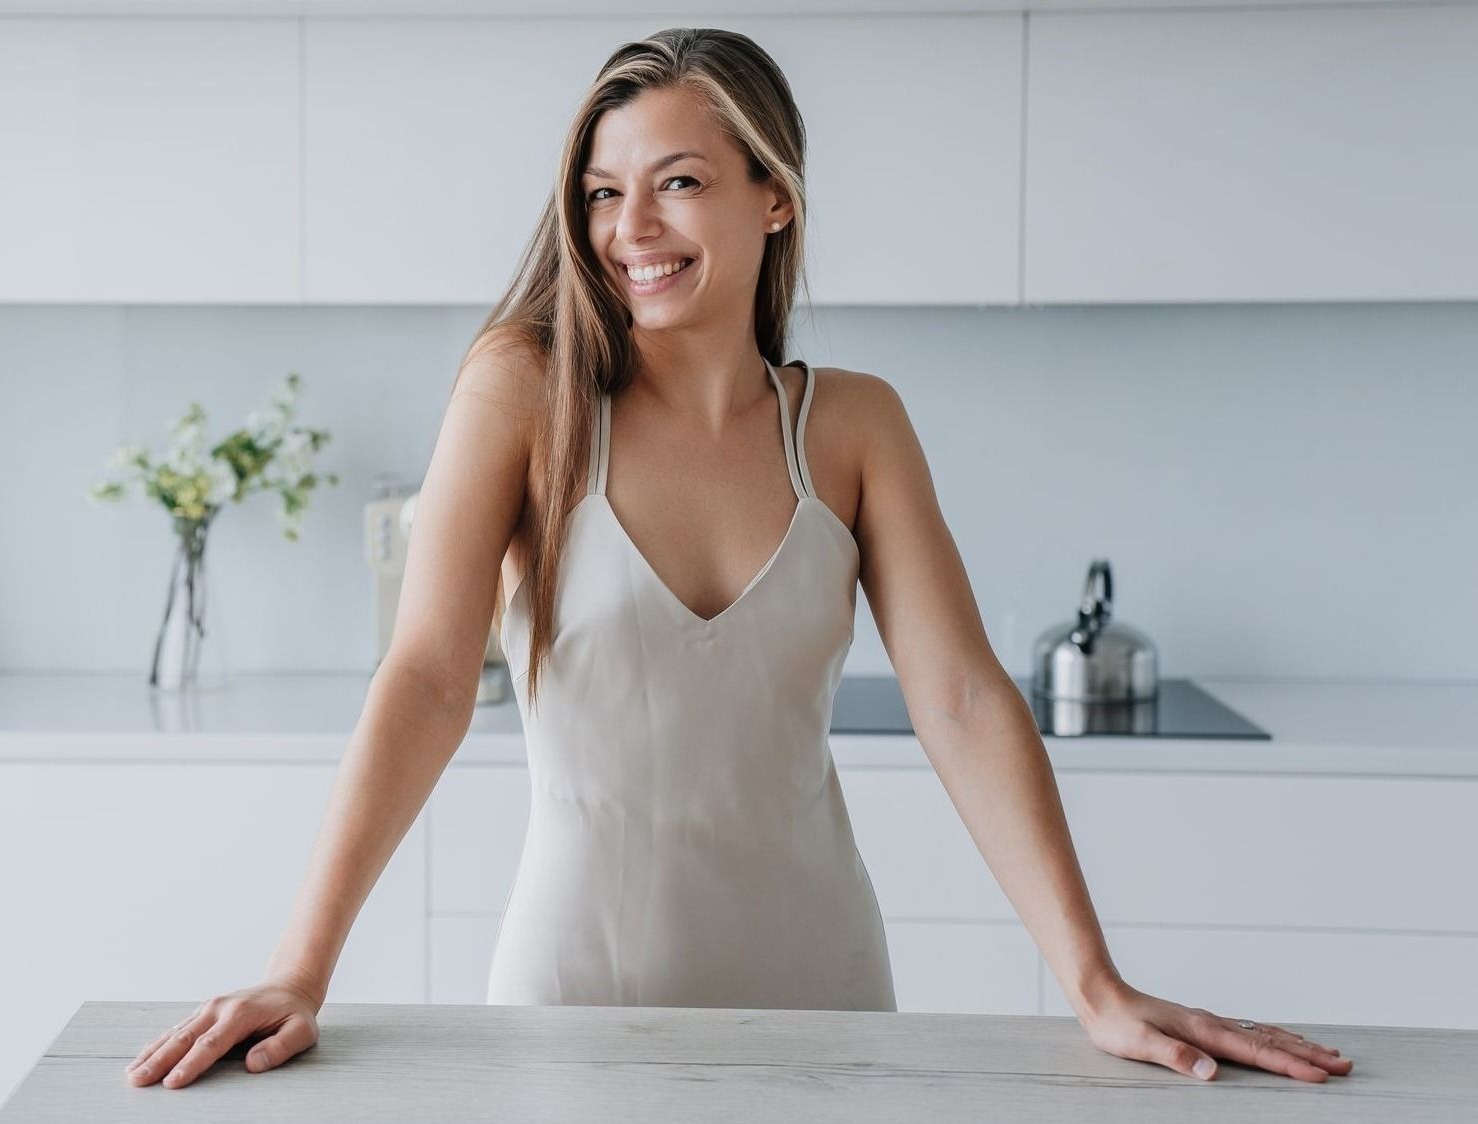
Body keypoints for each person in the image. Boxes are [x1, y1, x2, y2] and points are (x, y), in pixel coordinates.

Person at [127, 26, 1353, 1090]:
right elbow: (428, 678)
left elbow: (965, 698)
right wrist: (302, 966)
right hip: (570, 998)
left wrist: (1093, 980)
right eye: (603, 192)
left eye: (678, 182)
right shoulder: (527, 393)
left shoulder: (857, 425)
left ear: (776, 195)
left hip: (824, 994)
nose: (630, 229)